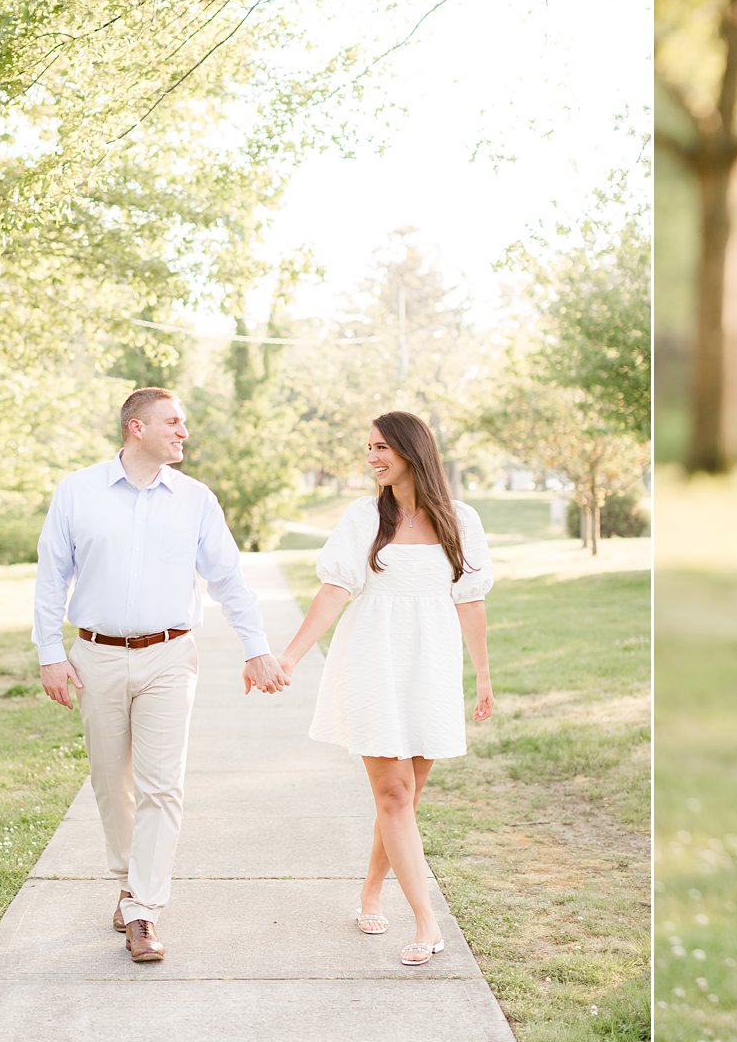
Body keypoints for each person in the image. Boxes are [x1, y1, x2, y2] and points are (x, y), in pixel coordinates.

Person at [33, 387, 290, 963]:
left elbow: (228, 579)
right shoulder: (78, 492)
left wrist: (257, 647)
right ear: (135, 428)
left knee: (162, 784)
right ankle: (129, 882)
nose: (183, 432)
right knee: (109, 782)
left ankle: (144, 909)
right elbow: (53, 578)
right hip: (95, 655)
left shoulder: (196, 499)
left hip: (171, 657)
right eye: (173, 422)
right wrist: (50, 652)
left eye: (184, 423)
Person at [278, 410, 493, 967]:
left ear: (412, 450)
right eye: (369, 447)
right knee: (393, 795)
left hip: (430, 667)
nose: (373, 457)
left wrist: (483, 677)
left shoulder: (460, 520)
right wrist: (291, 656)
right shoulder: (363, 516)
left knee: (405, 798)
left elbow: (470, 601)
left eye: (382, 448)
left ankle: (371, 891)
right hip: (372, 660)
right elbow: (333, 589)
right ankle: (427, 922)